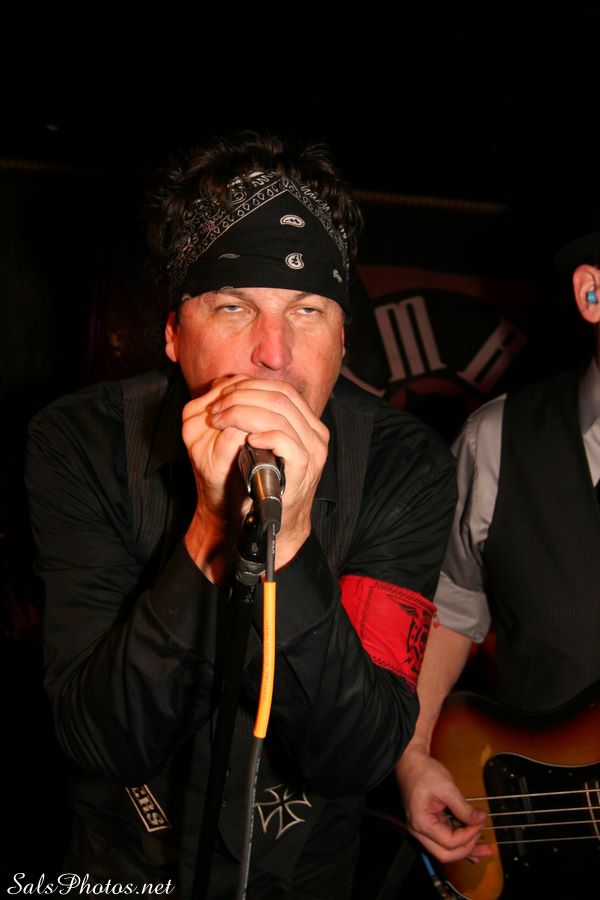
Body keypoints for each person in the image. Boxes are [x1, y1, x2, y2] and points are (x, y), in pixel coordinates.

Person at [26, 133, 456, 899]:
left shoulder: (404, 465)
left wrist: (291, 545)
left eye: (308, 311)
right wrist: (210, 533)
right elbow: (100, 739)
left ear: (343, 340)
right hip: (126, 866)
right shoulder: (83, 442)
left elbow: (358, 755)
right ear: (172, 334)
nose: (274, 353)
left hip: (306, 876)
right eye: (233, 306)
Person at [395, 223, 600, 866]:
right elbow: (450, 609)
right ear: (592, 294)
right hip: (547, 845)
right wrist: (413, 756)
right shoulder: (496, 439)